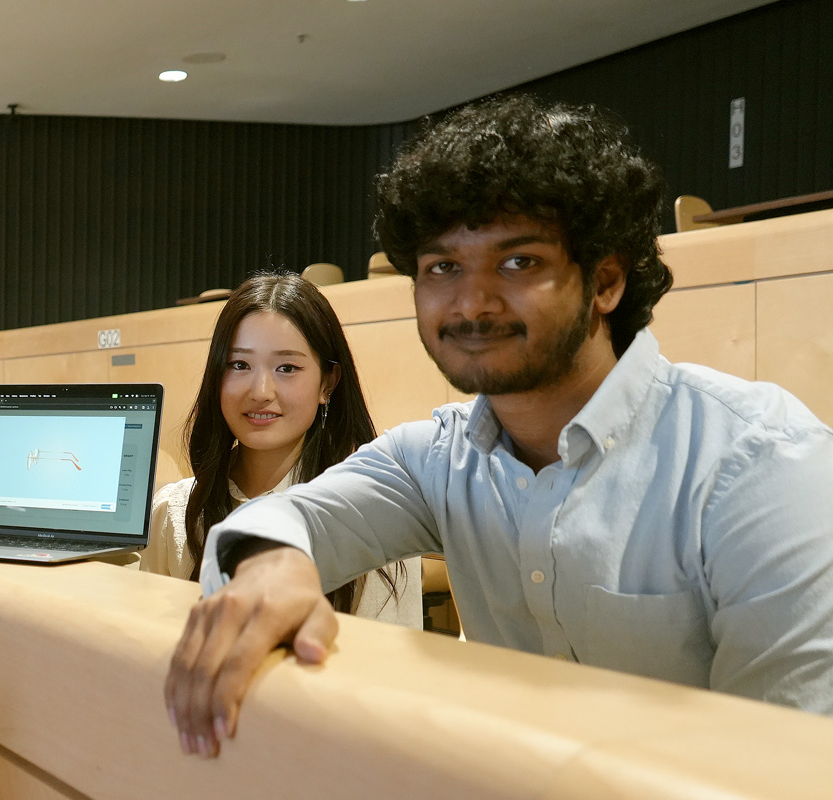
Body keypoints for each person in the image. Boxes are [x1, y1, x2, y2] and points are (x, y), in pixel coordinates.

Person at [164, 94, 833, 757]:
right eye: (443, 267)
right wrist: (270, 568)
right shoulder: (435, 458)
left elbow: (787, 763)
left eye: (519, 262)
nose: (471, 302)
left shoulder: (761, 463)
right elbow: (274, 520)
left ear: (605, 281)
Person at [142, 272, 420, 628]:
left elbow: (388, 673)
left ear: (327, 384)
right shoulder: (174, 511)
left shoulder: (373, 521)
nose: (260, 390)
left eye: (287, 368)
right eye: (239, 365)